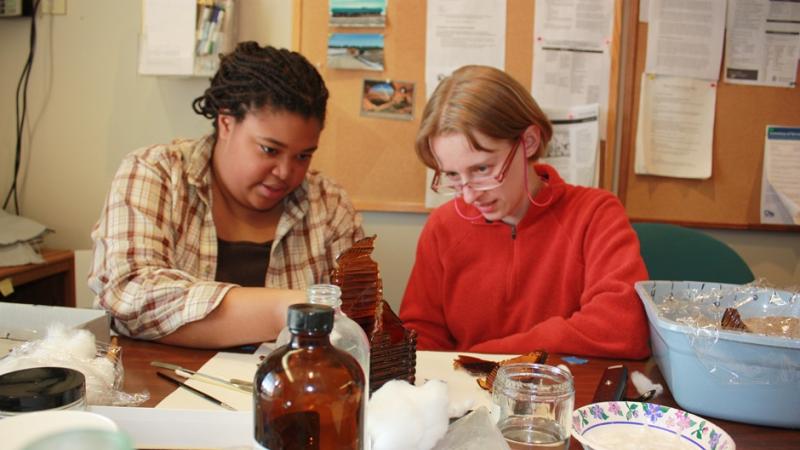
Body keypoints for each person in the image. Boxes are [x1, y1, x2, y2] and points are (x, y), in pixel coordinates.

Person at [89, 42, 364, 348]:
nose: (286, 172)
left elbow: (356, 318)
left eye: (303, 156)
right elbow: (130, 296)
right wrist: (285, 310)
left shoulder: (330, 205)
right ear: (226, 123)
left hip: (289, 391)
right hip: (156, 386)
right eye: (269, 150)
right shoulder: (156, 174)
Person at [398, 65, 650, 359]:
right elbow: (421, 340)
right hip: (467, 397)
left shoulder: (595, 214)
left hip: (561, 398)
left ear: (528, 142)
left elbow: (621, 328)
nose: (469, 195)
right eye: (453, 175)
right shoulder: (443, 226)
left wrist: (481, 358)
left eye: (482, 169)